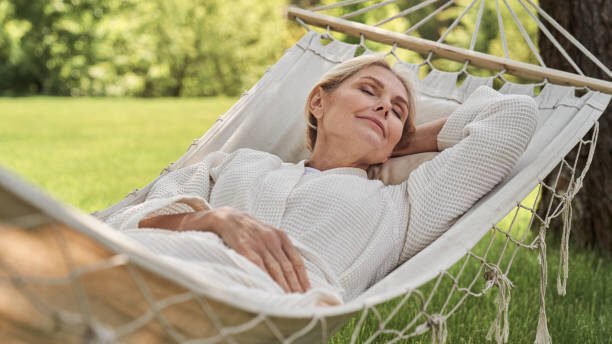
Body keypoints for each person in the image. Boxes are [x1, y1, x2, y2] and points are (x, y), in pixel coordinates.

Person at [105, 54, 537, 307]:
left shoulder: (404, 205)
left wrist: (400, 140)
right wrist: (215, 220)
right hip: (155, 261)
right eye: (369, 92)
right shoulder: (235, 162)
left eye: (399, 109)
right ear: (317, 102)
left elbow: (516, 116)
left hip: (263, 307)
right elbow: (129, 223)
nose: (386, 107)